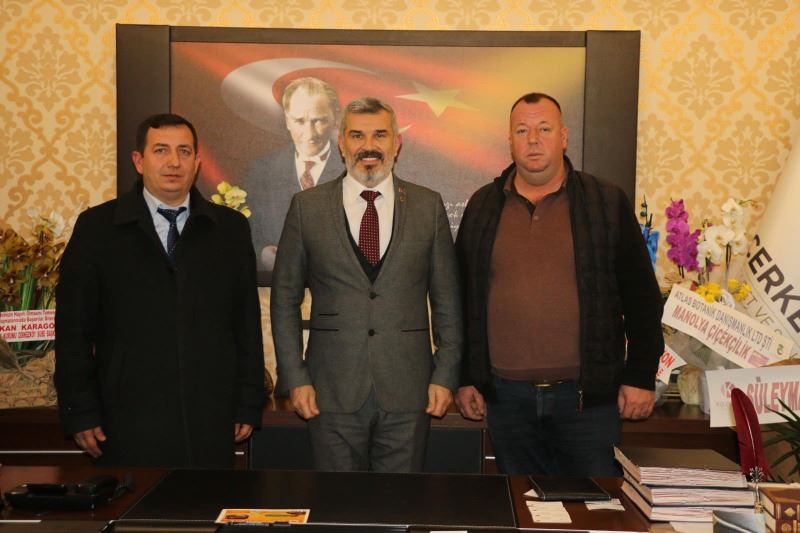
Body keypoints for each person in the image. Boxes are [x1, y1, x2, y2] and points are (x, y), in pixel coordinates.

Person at [454, 92, 664, 476]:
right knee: (520, 503)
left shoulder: (605, 202)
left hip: (587, 400)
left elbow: (642, 298)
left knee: (593, 505)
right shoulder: (483, 206)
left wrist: (640, 375)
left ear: (564, 137)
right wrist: (466, 377)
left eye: (544, 129)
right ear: (510, 140)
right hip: (506, 399)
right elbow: (463, 301)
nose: (533, 140)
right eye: (522, 130)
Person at [54, 113, 265, 468]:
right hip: (125, 416)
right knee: (136, 504)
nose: (174, 162)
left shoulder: (230, 230)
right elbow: (72, 329)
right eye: (161, 150)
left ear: (197, 162)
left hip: (209, 416)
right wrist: (79, 410)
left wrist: (248, 401)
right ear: (139, 161)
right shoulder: (97, 228)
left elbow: (246, 323)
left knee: (207, 502)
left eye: (184, 151)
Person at [270, 97, 462, 472]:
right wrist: (294, 377)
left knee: (399, 501)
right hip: (329, 390)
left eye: (380, 135)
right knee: (337, 502)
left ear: (397, 143)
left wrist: (445, 375)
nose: (368, 145)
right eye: (357, 135)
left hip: (409, 390)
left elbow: (448, 302)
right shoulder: (307, 207)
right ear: (341, 142)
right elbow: (284, 300)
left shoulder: (428, 206)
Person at [241, 77, 345, 273]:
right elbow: (246, 232)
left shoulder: (352, 172)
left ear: (335, 119)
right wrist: (262, 255)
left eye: (319, 120)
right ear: (287, 120)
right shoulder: (262, 171)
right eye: (299, 121)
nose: (309, 133)